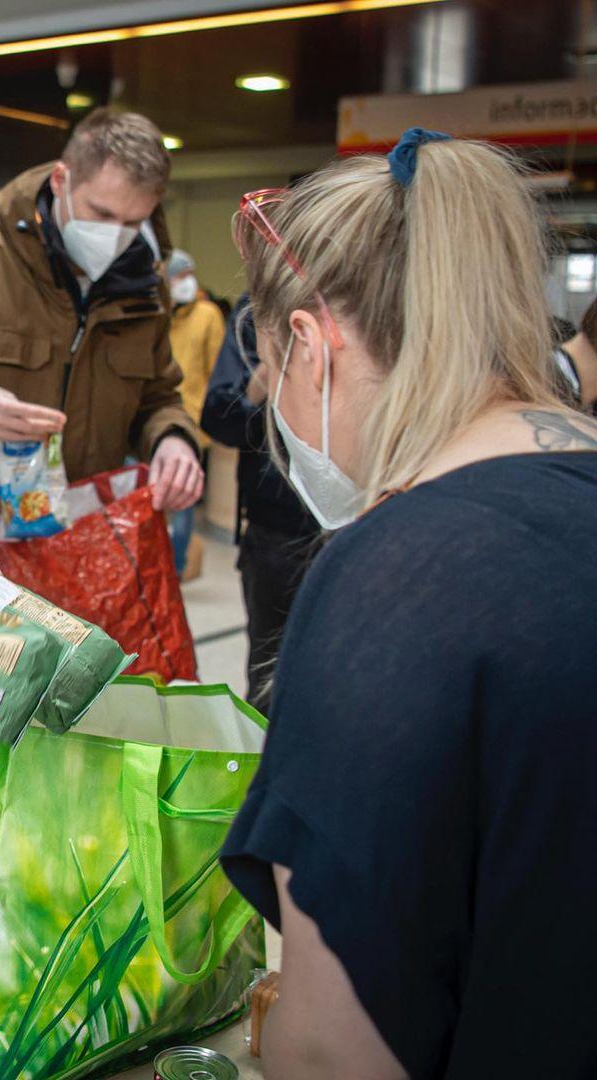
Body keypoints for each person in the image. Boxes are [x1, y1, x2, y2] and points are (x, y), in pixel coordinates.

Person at [221, 129, 597, 1078]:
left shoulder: (391, 581)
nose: (271, 402)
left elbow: (330, 1051)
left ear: (310, 344)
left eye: (268, 371)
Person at [0, 108, 203, 521]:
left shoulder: (145, 287)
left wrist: (171, 438)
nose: (115, 237)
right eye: (102, 214)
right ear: (60, 180)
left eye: (133, 222)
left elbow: (158, 396)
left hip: (79, 531)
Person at [200, 295, 319, 711]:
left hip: (366, 523)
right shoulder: (259, 312)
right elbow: (218, 417)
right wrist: (268, 374)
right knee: (268, 681)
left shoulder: (378, 296)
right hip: (277, 528)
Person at [164, 248, 224, 578]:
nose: (186, 282)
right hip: (152, 425)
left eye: (189, 275)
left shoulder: (207, 315)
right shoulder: (157, 314)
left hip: (192, 422)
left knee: (183, 502)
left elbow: (217, 369)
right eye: (179, 276)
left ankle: (177, 569)